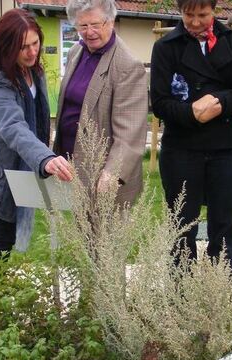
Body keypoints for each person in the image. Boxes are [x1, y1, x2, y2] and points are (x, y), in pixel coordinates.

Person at [150, 0, 232, 272]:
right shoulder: (165, 47)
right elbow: (159, 102)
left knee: (224, 229)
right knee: (182, 229)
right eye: (189, 15)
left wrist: (218, 101)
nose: (196, 22)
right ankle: (181, 302)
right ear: (180, 11)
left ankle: (215, 301)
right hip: (183, 148)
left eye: (203, 15)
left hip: (228, 148)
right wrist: (192, 114)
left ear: (214, 10)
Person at [0, 9, 73, 260]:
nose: (32, 51)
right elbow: (13, 126)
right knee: (2, 239)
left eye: (35, 42)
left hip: (23, 159)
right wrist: (45, 158)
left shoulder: (32, 70)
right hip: (1, 163)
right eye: (23, 46)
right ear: (6, 48)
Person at [55, 0, 148, 206]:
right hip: (72, 164)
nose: (89, 32)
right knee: (81, 235)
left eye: (96, 25)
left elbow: (129, 134)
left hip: (105, 174)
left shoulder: (127, 66)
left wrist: (111, 173)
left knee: (104, 236)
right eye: (83, 26)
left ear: (111, 21)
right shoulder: (75, 53)